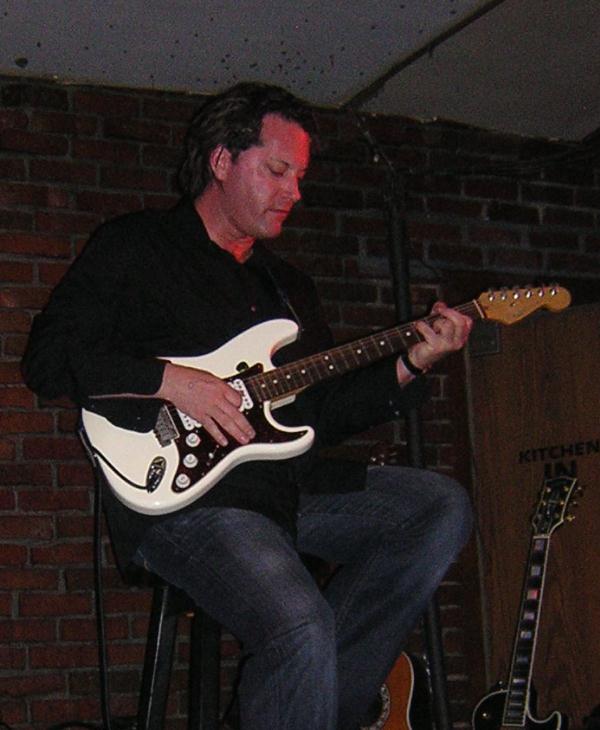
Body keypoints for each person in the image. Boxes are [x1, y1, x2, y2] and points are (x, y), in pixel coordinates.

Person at [21, 82, 474, 730]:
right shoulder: (136, 248)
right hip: (190, 504)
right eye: (277, 170)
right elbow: (47, 360)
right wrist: (170, 381)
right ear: (221, 161)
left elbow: (317, 414)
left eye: (300, 176)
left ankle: (310, 706)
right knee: (299, 622)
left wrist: (410, 363)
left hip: (287, 491)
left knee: (438, 506)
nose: (294, 191)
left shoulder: (287, 288)